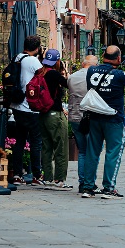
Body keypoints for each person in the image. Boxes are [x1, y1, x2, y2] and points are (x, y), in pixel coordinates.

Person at [86, 46, 125, 199]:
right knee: (113, 153)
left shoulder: (91, 71)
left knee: (92, 152)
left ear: (103, 55)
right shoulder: (119, 74)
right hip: (114, 119)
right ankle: (108, 187)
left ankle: (87, 187)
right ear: (119, 59)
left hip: (94, 117)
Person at [8, 36, 45, 185]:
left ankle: (17, 174)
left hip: (17, 106)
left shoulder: (17, 58)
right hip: (30, 107)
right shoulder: (33, 61)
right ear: (37, 48)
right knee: (36, 141)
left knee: (20, 141)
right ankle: (37, 174)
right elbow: (43, 77)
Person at [39, 49, 71, 191]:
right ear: (57, 61)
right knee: (61, 147)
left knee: (46, 147)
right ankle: (59, 179)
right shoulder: (54, 74)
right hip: (55, 115)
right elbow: (69, 84)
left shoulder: (40, 72)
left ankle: (47, 178)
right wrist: (66, 72)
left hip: (43, 114)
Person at [68, 54, 98, 198]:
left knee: (82, 151)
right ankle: (89, 182)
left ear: (82, 64)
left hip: (74, 116)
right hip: (89, 117)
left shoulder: (72, 77)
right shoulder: (95, 77)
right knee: (92, 151)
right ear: (94, 65)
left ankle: (82, 182)